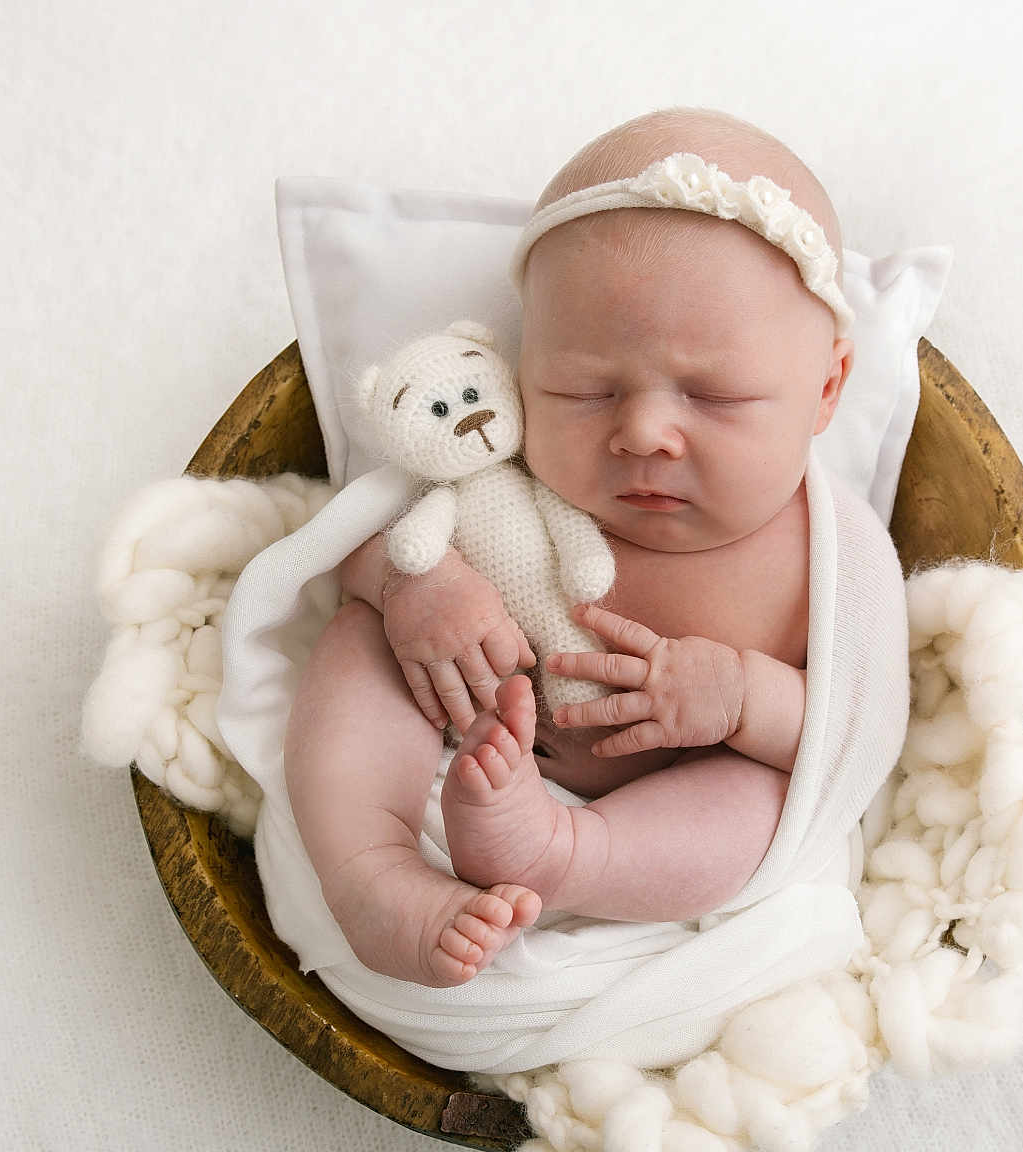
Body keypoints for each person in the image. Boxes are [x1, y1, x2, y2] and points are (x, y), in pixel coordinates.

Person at [284, 107, 880, 987]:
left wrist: (743, 698)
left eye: (713, 397)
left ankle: (565, 850)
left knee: (755, 803)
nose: (642, 433)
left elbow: (853, 739)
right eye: (585, 390)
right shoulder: (504, 456)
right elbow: (343, 546)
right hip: (450, 741)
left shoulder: (827, 555)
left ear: (825, 388)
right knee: (356, 649)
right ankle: (372, 872)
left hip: (655, 810)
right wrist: (415, 587)